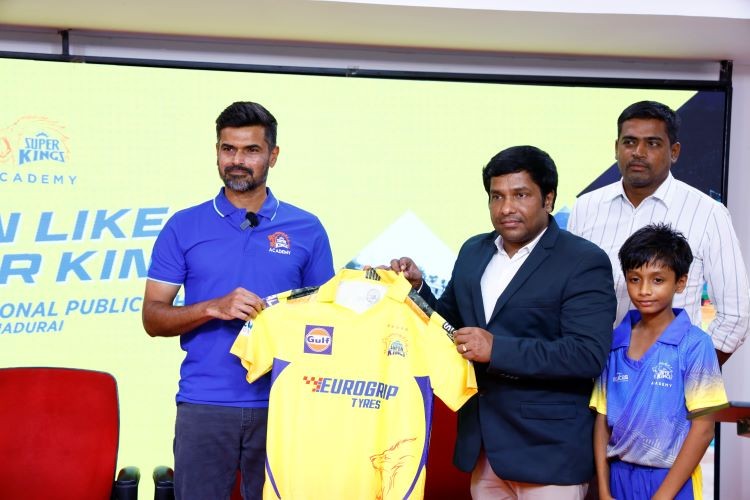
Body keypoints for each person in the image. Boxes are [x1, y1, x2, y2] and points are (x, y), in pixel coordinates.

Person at [390, 145, 617, 499]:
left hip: (549, 454)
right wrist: (416, 290)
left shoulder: (583, 260)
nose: (506, 207)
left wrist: (497, 349)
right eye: (497, 196)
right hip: (483, 450)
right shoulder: (473, 251)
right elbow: (447, 327)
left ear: (548, 199)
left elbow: (586, 354)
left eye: (520, 195)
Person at [142, 101, 334, 500]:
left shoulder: (307, 228)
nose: (237, 161)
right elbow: (153, 318)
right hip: (204, 404)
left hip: (285, 403)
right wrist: (212, 307)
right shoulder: (183, 226)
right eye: (228, 149)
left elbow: (327, 322)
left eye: (251, 150)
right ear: (216, 151)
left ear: (273, 156)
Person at [568, 100, 750, 365]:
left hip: (667, 376)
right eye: (629, 142)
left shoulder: (708, 212)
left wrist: (690, 372)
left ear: (674, 151)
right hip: (591, 371)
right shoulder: (585, 207)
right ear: (616, 148)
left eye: (652, 143)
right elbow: (571, 296)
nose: (638, 152)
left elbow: (735, 315)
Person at [591, 223, 728, 500]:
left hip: (672, 481)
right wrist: (604, 490)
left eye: (657, 280)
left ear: (680, 282)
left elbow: (703, 430)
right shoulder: (614, 343)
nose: (644, 290)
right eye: (634, 279)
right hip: (618, 479)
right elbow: (602, 422)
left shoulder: (695, 344)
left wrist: (661, 497)